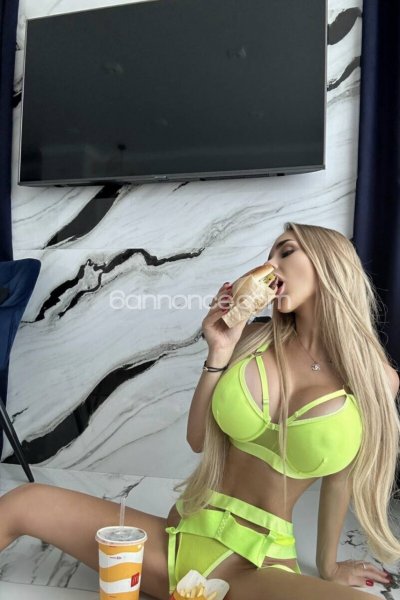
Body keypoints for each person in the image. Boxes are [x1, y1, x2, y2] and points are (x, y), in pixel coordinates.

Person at [0, 222, 399, 600]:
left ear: (329, 263)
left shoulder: (375, 380)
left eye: (286, 252)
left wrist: (329, 568)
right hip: (176, 539)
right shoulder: (251, 338)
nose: (270, 265)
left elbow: (339, 481)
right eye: (269, 255)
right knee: (24, 501)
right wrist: (219, 352)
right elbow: (198, 440)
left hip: (256, 565)